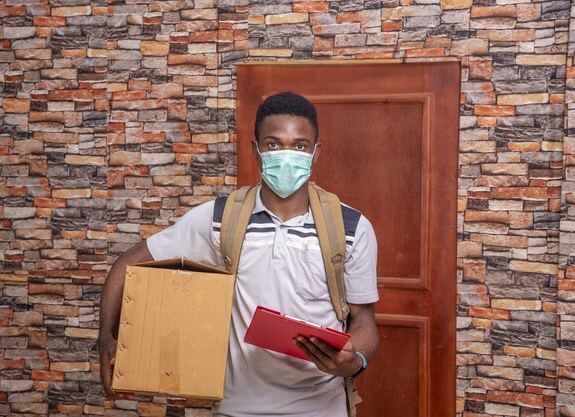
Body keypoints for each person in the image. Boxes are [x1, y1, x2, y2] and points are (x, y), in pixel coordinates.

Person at [99, 92, 379, 417]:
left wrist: (354, 358)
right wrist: (107, 336)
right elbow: (128, 262)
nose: (287, 155)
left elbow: (364, 322)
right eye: (274, 144)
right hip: (236, 408)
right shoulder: (220, 219)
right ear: (256, 151)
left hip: (322, 408)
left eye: (299, 145)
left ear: (315, 153)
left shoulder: (352, 227)